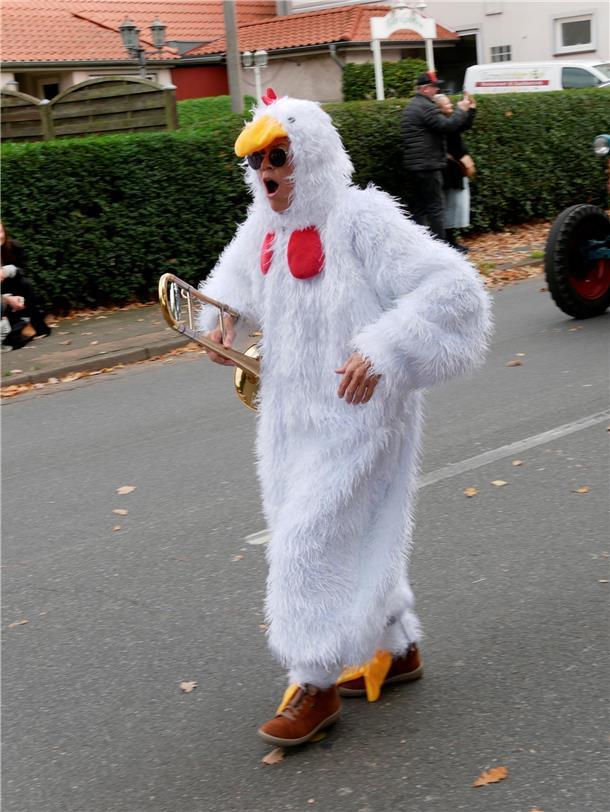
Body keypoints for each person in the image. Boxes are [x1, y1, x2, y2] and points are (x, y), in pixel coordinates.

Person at [198, 88, 491, 747]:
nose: (268, 173)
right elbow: (226, 301)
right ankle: (397, 642)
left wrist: (384, 348)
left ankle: (314, 681)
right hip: (287, 418)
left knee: (307, 541)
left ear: (314, 155)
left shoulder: (362, 218)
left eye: (280, 156)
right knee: (342, 530)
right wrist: (220, 329)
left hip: (359, 414)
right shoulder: (260, 230)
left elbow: (454, 290)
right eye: (259, 161)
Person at [401, 71, 475, 242]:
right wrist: (462, 109)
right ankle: (441, 250)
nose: (436, 90)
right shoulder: (426, 107)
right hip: (428, 166)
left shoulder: (411, 106)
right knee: (436, 209)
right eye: (434, 87)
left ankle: (418, 246)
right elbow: (447, 126)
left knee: (419, 209)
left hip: (413, 166)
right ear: (426, 88)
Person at [434, 92, 477, 253]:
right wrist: (463, 158)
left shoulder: (448, 121)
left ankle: (452, 241)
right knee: (451, 205)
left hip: (455, 169)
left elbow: (462, 125)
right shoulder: (443, 123)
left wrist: (471, 110)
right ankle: (450, 242)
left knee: (455, 204)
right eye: (447, 104)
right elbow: (457, 129)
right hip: (450, 170)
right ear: (439, 107)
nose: (450, 105)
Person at [0, 221, 51, 348]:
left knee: (25, 284)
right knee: (14, 339)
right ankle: (21, 328)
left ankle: (38, 326)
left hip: (14, 285)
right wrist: (6, 298)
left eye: (0, 232)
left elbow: (23, 270)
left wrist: (9, 271)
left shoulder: (14, 247)